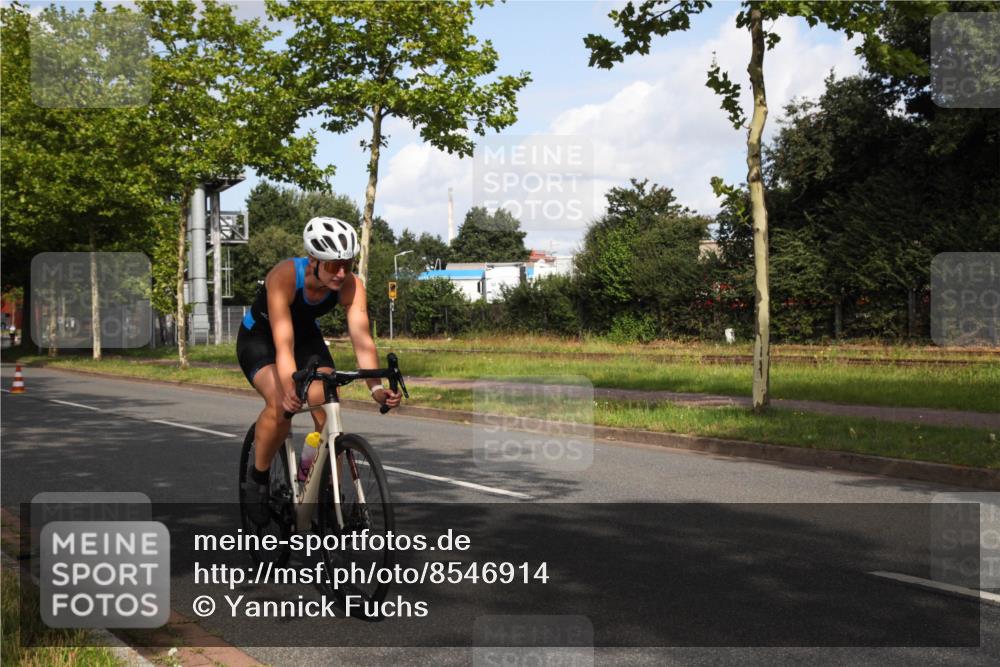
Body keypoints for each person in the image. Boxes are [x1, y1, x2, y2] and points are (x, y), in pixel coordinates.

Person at [236, 216, 401, 525]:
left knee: (326, 402)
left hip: (305, 337)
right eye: (333, 265)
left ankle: (323, 487)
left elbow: (362, 338)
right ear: (313, 260)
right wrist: (289, 390)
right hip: (261, 338)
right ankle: (257, 478)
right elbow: (283, 344)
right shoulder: (284, 276)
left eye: (347, 265)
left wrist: (377, 389)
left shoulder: (350, 285)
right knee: (280, 404)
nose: (341, 273)